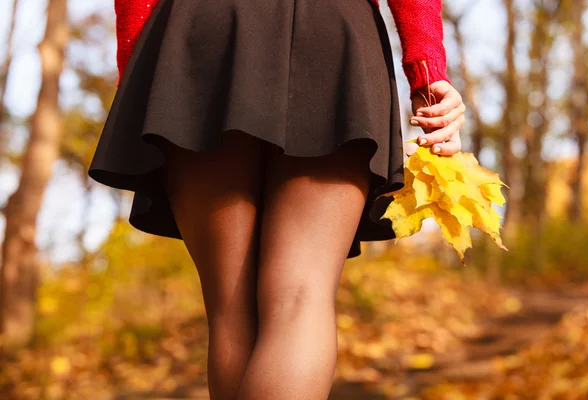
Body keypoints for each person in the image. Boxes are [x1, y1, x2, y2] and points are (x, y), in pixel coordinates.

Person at [88, 0, 465, 398]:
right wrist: (427, 74)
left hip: (203, 31)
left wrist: (139, 75)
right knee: (301, 296)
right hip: (333, 30)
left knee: (229, 311)